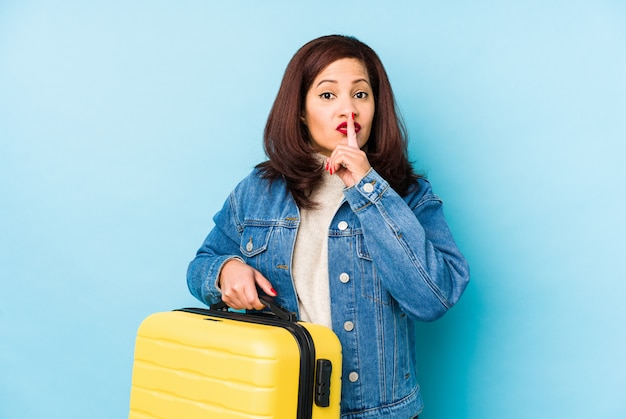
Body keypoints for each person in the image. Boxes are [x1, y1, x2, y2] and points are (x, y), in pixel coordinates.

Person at [187, 34, 470, 419]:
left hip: (377, 411)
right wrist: (224, 271)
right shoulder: (257, 191)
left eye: (360, 94)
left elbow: (433, 298)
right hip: (278, 403)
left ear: (376, 106)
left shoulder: (408, 193)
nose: (347, 110)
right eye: (326, 95)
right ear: (301, 110)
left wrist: (368, 187)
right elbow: (203, 263)